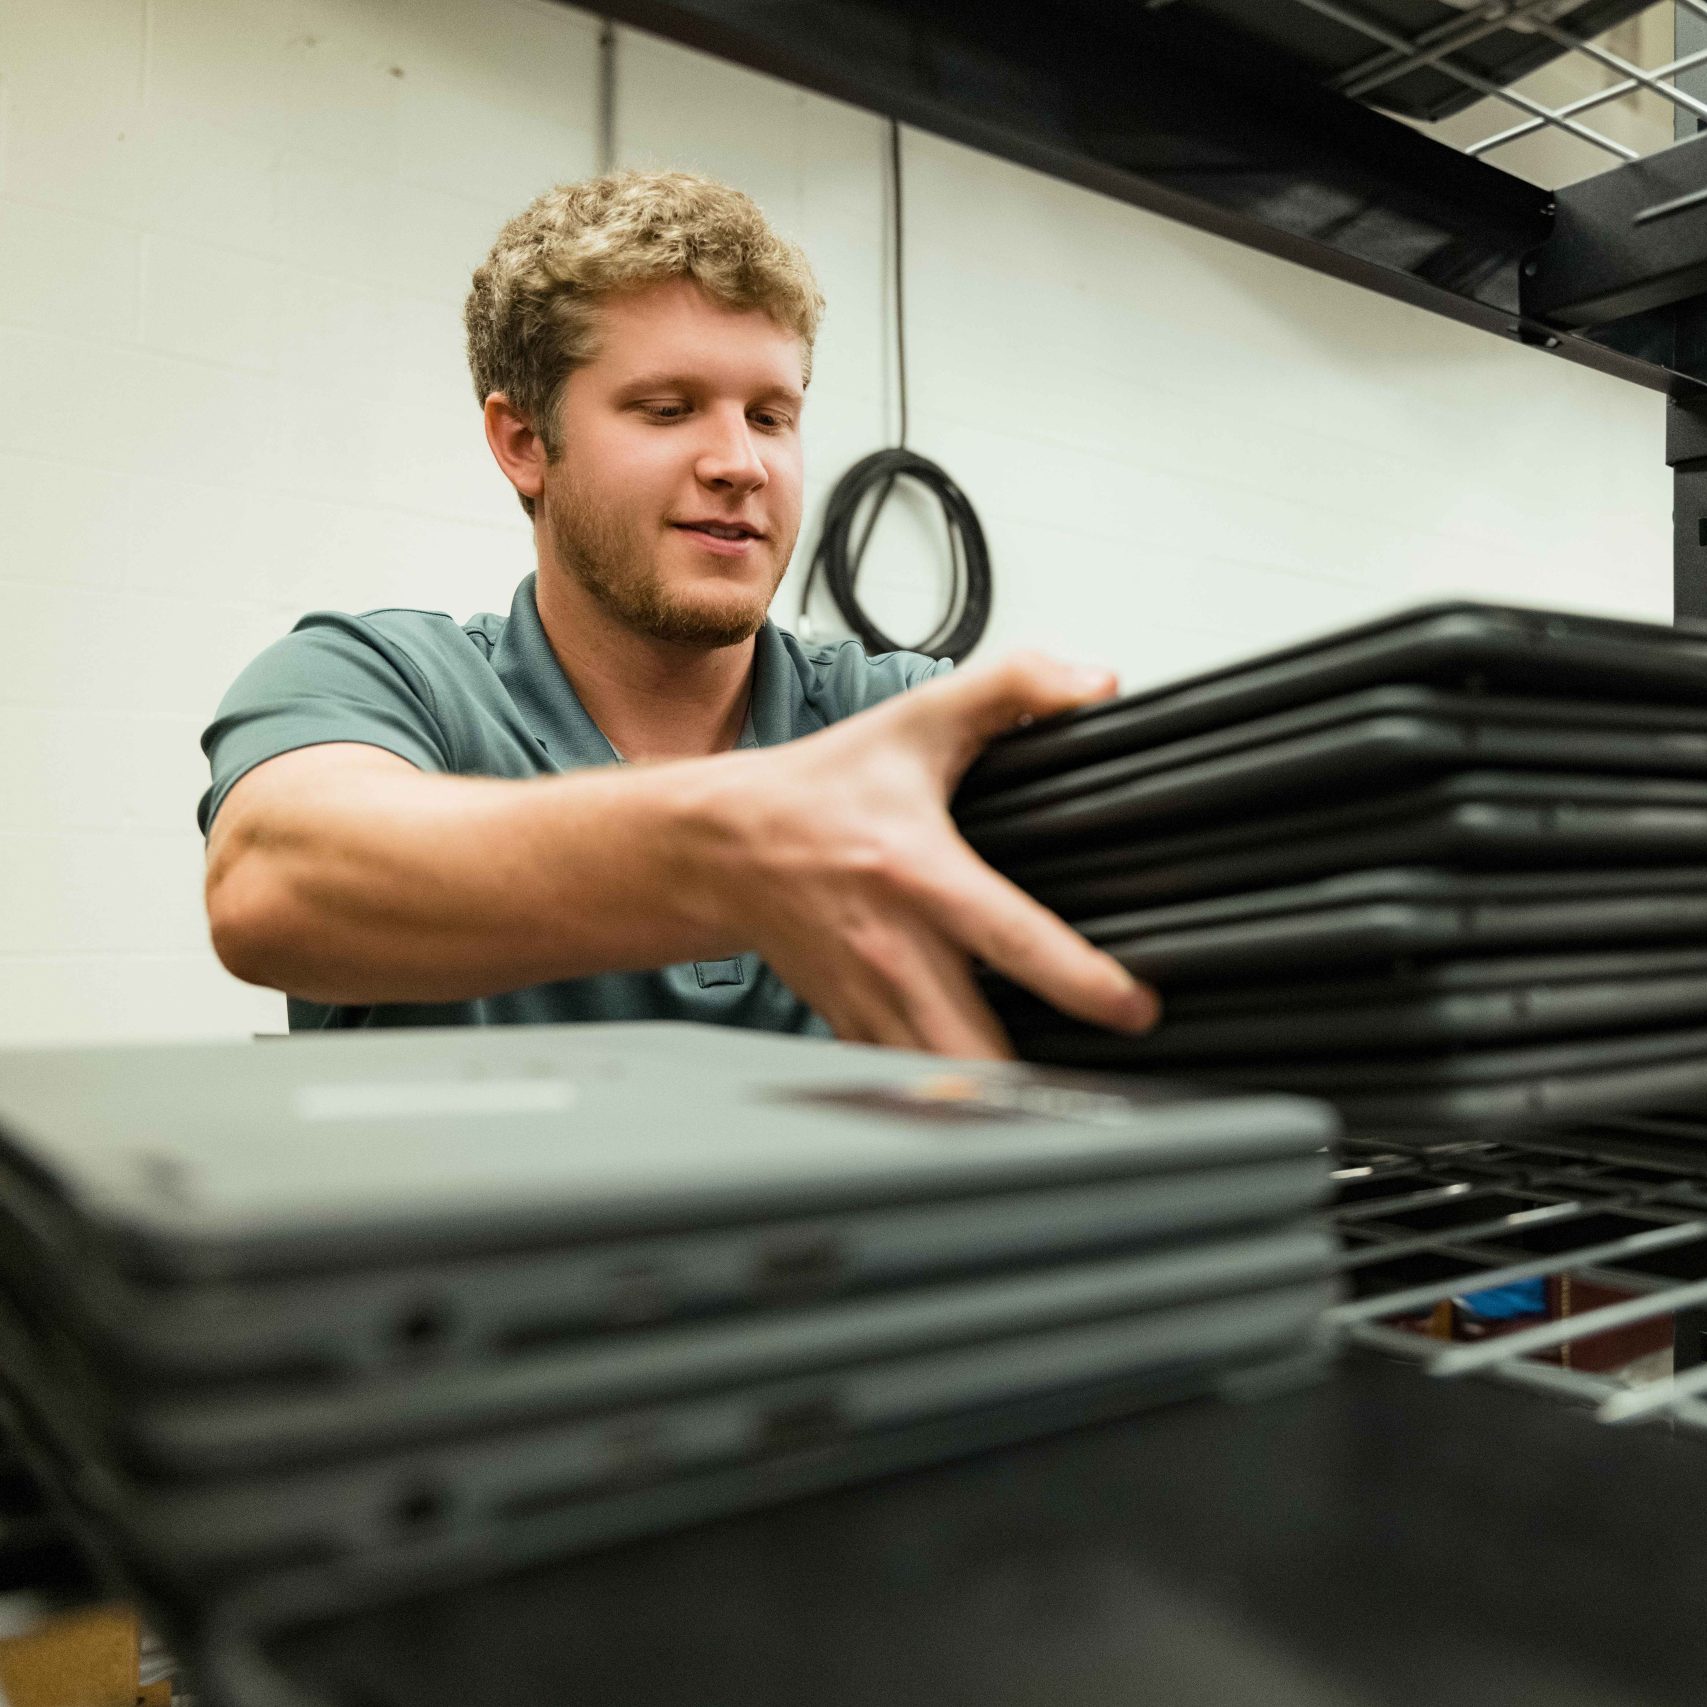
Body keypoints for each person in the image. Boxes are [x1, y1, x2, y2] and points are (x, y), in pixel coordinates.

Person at [199, 169, 1158, 1057]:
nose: (740, 462)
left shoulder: (891, 715)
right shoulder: (384, 677)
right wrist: (735, 850)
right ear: (525, 441)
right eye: (667, 408)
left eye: (771, 416)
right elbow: (272, 885)